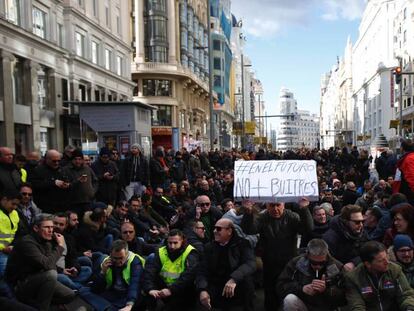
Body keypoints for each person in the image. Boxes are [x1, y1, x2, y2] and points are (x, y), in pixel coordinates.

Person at [241, 199, 313, 311]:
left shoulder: (292, 217)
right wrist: (248, 213)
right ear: (267, 205)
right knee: (270, 293)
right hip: (270, 261)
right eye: (272, 205)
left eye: (278, 205)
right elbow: (249, 230)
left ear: (283, 205)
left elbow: (307, 229)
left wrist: (304, 209)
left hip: (289, 261)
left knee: (289, 291)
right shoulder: (263, 217)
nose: (275, 209)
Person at [5, 214, 76, 310]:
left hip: (39, 279)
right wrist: (60, 246)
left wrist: (62, 270)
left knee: (69, 295)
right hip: (20, 285)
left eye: (51, 227)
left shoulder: (46, 241)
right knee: (51, 274)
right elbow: (47, 265)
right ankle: (43, 308)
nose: (51, 230)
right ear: (36, 228)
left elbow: (47, 262)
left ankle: (37, 306)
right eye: (46, 227)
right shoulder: (27, 242)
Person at [197, 218, 256, 311]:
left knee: (247, 283)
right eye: (214, 228)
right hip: (216, 286)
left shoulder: (242, 244)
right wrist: (202, 290)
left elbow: (250, 264)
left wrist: (234, 279)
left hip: (237, 286)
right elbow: (202, 270)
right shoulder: (209, 247)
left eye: (218, 229)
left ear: (229, 231)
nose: (214, 231)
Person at [277, 239, 346, 311]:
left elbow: (345, 298)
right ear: (308, 255)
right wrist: (301, 289)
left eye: (322, 263)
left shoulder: (337, 267)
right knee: (290, 300)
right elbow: (281, 286)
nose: (318, 266)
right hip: (304, 304)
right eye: (314, 262)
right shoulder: (296, 263)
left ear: (327, 254)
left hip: (327, 307)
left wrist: (326, 290)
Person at [345, 241, 414, 310]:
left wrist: (409, 308)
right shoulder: (353, 278)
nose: (387, 262)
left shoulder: (395, 270)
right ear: (368, 264)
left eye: (387, 257)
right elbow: (357, 305)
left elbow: (406, 295)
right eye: (381, 260)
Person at [142, 229, 199, 311]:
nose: (172, 246)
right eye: (170, 243)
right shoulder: (161, 251)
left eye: (175, 243)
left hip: (182, 290)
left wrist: (171, 290)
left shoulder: (190, 252)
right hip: (164, 287)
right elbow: (151, 271)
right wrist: (150, 289)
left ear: (182, 241)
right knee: (148, 293)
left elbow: (188, 276)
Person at [85, 240, 144, 311]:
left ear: (127, 254)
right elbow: (95, 289)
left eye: (121, 258)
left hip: (129, 294)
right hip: (113, 293)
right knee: (85, 292)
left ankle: (103, 307)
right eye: (115, 258)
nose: (118, 261)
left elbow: (135, 284)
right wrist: (102, 272)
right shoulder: (107, 262)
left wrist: (129, 305)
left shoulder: (134, 261)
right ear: (111, 255)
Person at [323, 204, 368, 271]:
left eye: (362, 221)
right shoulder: (330, 238)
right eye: (357, 222)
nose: (361, 225)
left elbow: (367, 252)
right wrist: (342, 267)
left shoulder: (362, 233)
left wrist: (354, 262)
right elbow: (327, 259)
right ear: (346, 222)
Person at [53, 213, 92, 290]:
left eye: (61, 224)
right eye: (55, 223)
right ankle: (79, 288)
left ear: (65, 226)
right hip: (56, 271)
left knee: (87, 270)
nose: (57, 226)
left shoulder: (68, 238)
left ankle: (72, 285)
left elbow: (72, 257)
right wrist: (62, 270)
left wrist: (75, 268)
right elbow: (47, 263)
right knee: (62, 278)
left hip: (66, 269)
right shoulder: (48, 237)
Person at [61, 148, 98, 218]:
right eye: (75, 159)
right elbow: (65, 185)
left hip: (88, 201)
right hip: (74, 202)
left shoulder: (87, 168)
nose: (77, 161)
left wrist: (93, 191)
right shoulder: (66, 170)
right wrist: (77, 181)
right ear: (72, 160)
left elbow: (95, 181)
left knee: (87, 221)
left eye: (79, 159)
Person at [0, 190, 20, 277]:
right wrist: (3, 248)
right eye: (13, 204)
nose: (15, 207)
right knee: (5, 274)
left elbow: (14, 233)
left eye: (17, 205)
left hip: (9, 249)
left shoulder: (14, 214)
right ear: (4, 200)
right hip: (2, 250)